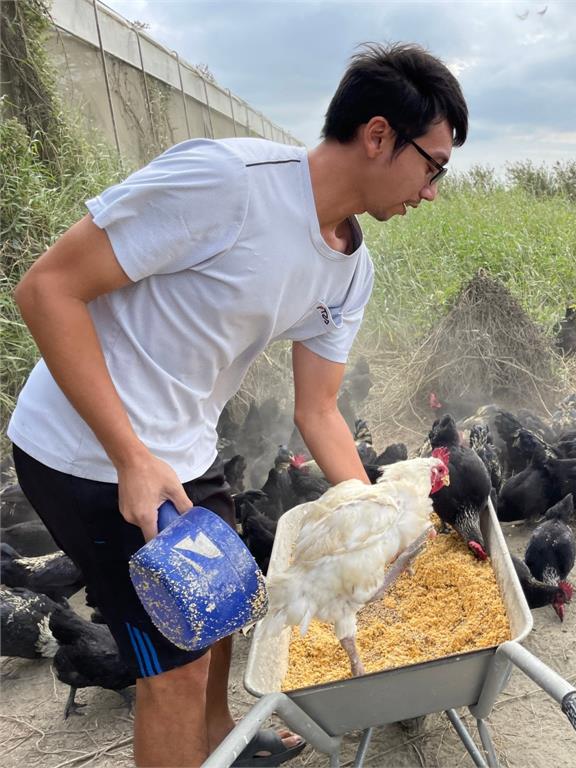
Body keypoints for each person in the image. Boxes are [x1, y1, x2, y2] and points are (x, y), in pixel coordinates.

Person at [8, 42, 467, 767]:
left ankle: (221, 738)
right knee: (177, 664)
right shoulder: (227, 183)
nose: (433, 188)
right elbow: (46, 289)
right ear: (379, 136)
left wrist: (372, 523)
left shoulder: (351, 271)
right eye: (433, 165)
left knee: (228, 602)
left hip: (182, 448)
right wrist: (129, 457)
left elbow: (318, 408)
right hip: (88, 450)